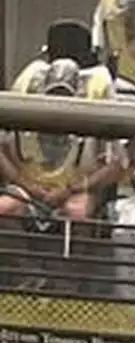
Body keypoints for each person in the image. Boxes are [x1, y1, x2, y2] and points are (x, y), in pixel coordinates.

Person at [0, 59, 128, 226]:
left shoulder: (95, 107)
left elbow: (117, 166)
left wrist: (74, 188)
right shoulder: (28, 105)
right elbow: (2, 151)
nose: (58, 100)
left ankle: (78, 253)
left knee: (77, 213)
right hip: (28, 187)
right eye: (53, 95)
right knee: (4, 208)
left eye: (65, 95)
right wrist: (28, 186)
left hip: (76, 189)